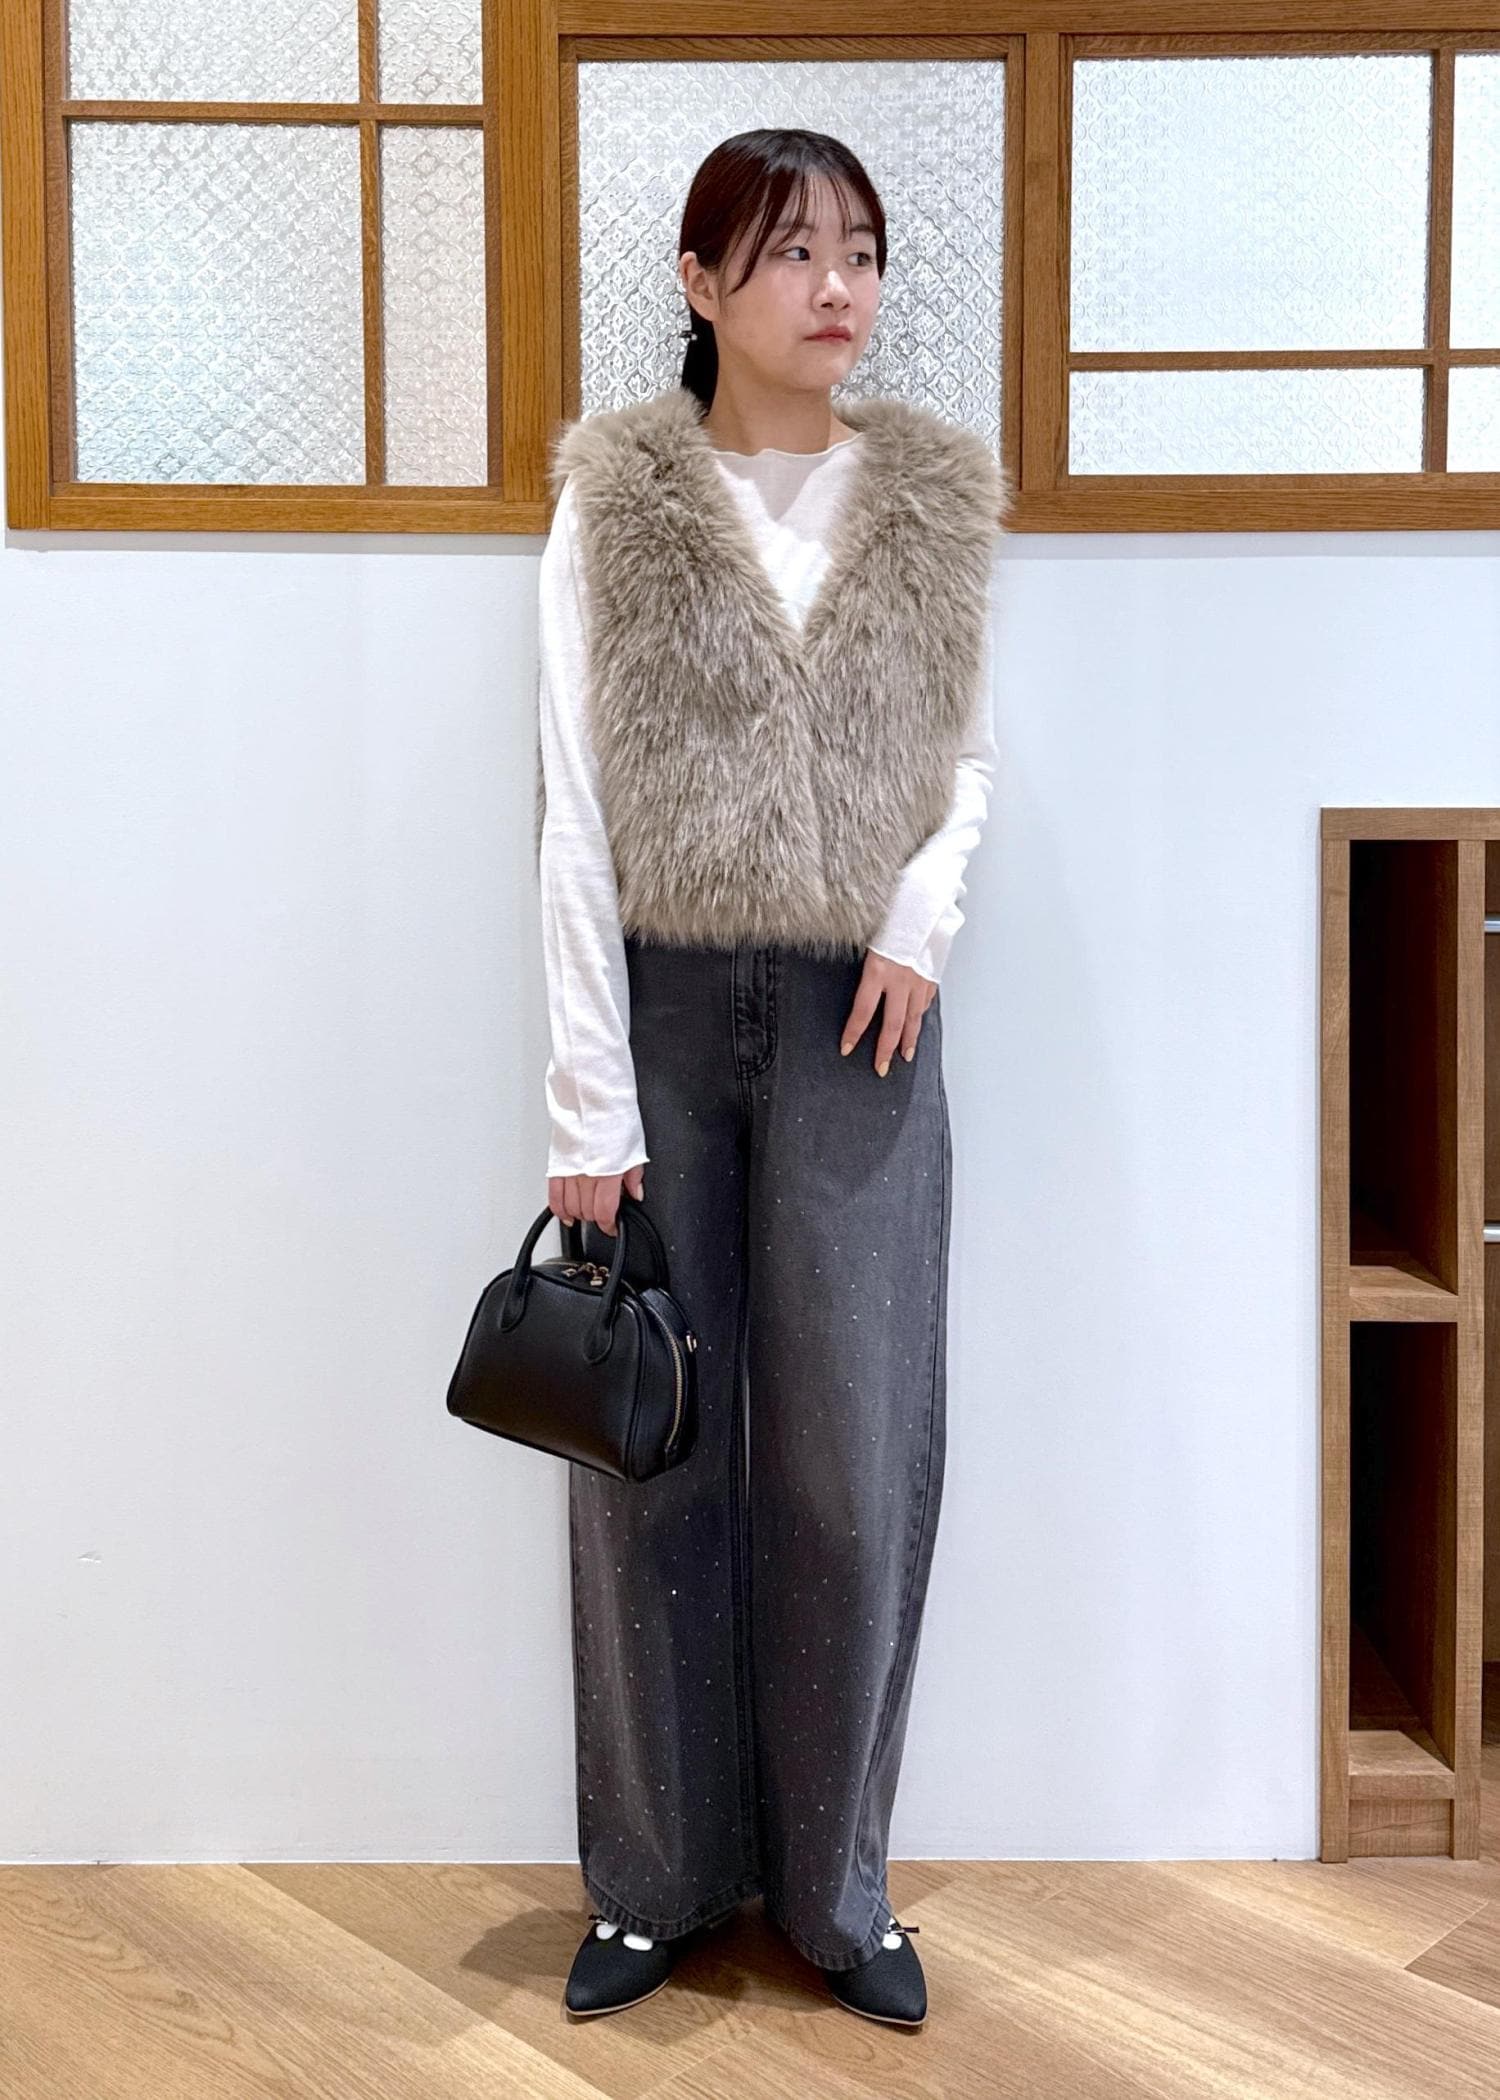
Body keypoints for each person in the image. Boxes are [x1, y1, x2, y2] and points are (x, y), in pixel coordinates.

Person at [534, 126, 1010, 2028]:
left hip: (860, 1022)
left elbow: (966, 761)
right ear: (702, 280)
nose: (839, 288)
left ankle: (835, 1891)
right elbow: (574, 816)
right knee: (649, 1449)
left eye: (862, 252)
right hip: (658, 1006)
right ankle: (655, 1883)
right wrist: (586, 1100)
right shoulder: (618, 508)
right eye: (795, 250)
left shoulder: (929, 503)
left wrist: (920, 922)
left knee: (853, 1459)